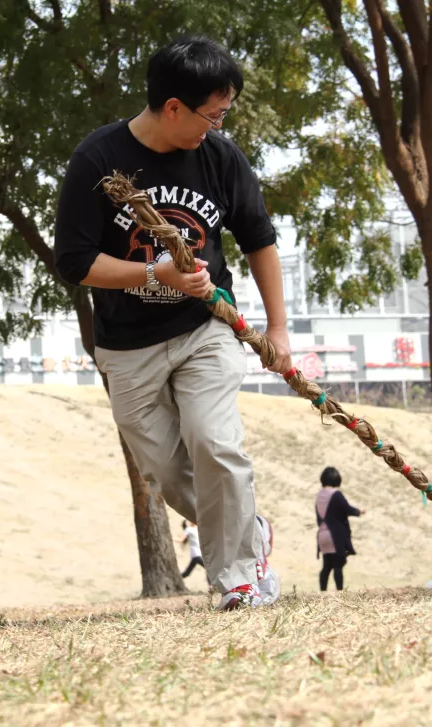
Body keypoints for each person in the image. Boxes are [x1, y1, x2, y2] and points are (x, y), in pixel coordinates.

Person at [54, 36, 291, 610]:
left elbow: (259, 240)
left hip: (205, 328)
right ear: (173, 107)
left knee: (214, 442)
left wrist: (278, 329)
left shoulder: (221, 158)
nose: (218, 125)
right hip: (127, 345)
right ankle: (249, 530)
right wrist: (153, 274)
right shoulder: (98, 159)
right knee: (164, 469)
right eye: (213, 114)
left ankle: (237, 579)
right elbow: (74, 262)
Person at [315, 466, 362, 591]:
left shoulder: (319, 495)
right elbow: (347, 509)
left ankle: (323, 591)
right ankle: (339, 591)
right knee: (338, 565)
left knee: (326, 565)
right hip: (334, 536)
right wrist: (359, 511)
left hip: (322, 535)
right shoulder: (335, 494)